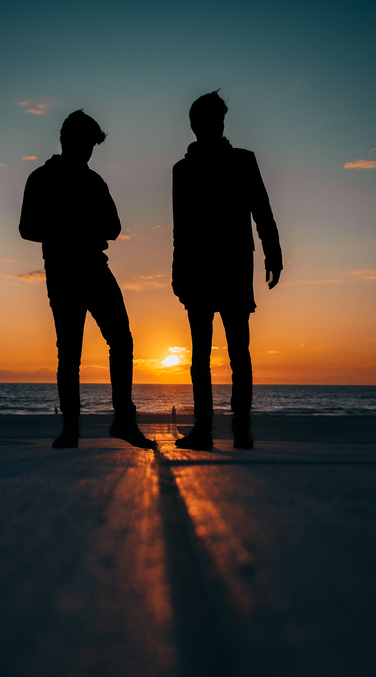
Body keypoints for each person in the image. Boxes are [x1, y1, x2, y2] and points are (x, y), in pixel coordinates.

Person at [19, 110, 154, 449]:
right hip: (63, 273)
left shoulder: (94, 182)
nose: (88, 151)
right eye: (85, 143)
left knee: (122, 341)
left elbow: (115, 227)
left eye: (92, 145)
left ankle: (123, 420)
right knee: (70, 353)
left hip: (95, 268)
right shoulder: (41, 178)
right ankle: (71, 427)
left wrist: (76, 227)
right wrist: (73, 227)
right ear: (66, 140)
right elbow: (26, 227)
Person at [172, 91, 282, 449]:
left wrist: (273, 253)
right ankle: (211, 429)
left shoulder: (242, 161)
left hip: (232, 270)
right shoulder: (183, 170)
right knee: (208, 355)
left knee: (235, 353)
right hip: (200, 272)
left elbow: (261, 210)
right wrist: (178, 273)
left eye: (218, 118)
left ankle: (237, 430)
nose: (215, 124)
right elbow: (181, 227)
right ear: (198, 124)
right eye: (210, 118)